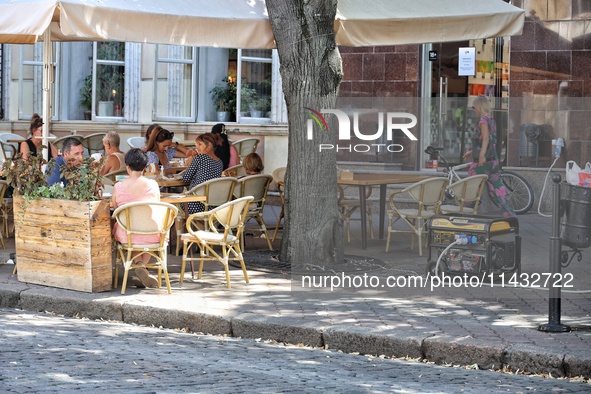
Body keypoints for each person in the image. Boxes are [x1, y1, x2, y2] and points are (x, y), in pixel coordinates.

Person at [111, 148, 161, 288]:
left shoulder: (119, 186)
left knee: (129, 228)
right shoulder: (153, 185)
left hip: (128, 234)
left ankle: (139, 265)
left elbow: (116, 209)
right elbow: (157, 206)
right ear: (145, 167)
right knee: (144, 230)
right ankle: (142, 266)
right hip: (152, 233)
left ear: (127, 167)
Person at [463, 96, 515, 218]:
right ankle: (510, 216)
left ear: (479, 106)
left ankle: (464, 216)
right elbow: (488, 140)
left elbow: (485, 138)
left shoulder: (483, 120)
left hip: (483, 162)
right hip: (494, 160)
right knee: (497, 191)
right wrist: (472, 151)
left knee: (471, 187)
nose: (474, 109)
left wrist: (481, 156)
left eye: (474, 107)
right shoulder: (491, 119)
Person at [182, 132, 224, 214]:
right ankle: (197, 226)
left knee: (174, 204)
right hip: (213, 204)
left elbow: (185, 178)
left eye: (199, 144)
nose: (197, 147)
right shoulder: (219, 162)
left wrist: (190, 161)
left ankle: (182, 226)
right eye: (196, 144)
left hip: (196, 202)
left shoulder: (200, 157)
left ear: (209, 145)